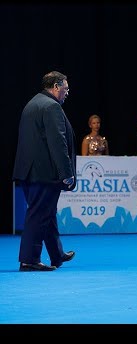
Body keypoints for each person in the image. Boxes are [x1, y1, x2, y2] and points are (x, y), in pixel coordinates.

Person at [13, 71, 77, 272]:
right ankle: (29, 260)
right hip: (44, 172)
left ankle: (56, 254)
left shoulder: (33, 103)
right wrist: (66, 173)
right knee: (39, 214)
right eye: (65, 89)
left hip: (29, 170)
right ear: (56, 86)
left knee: (46, 213)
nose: (67, 92)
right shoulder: (51, 107)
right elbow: (58, 142)